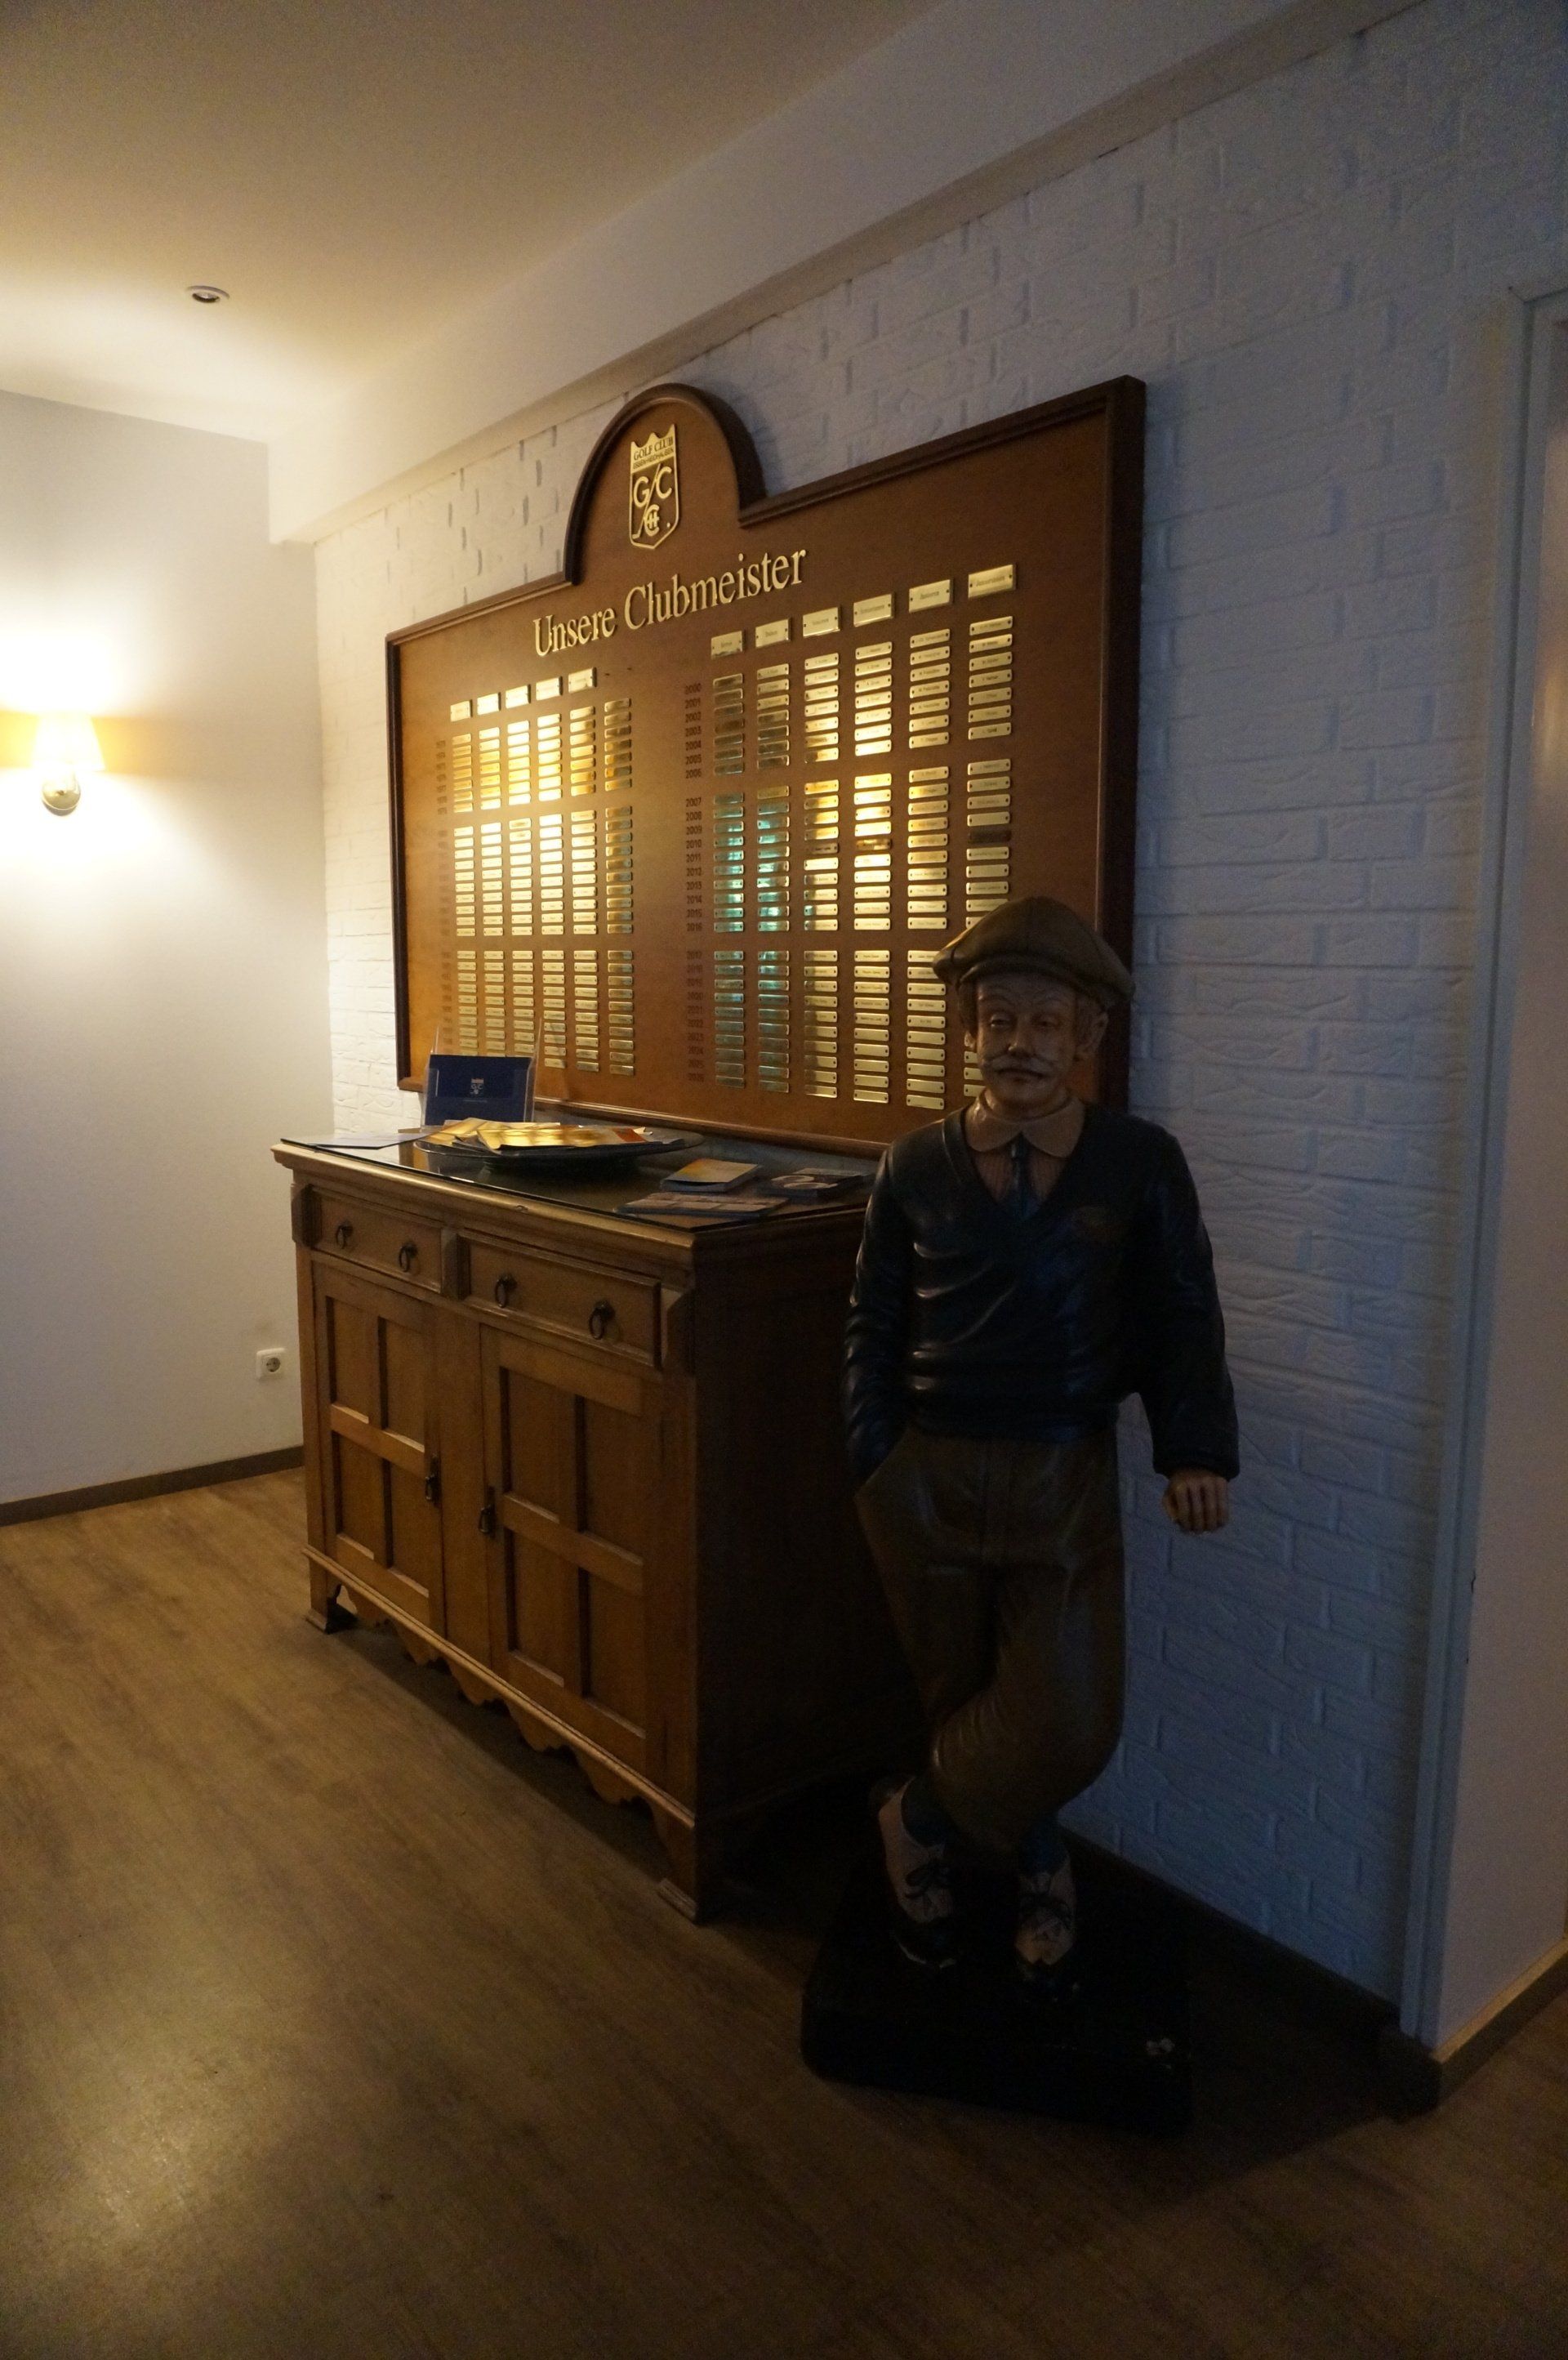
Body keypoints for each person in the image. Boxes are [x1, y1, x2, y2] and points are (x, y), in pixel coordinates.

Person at [844, 895, 1238, 1987]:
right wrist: (874, 1458)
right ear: (969, 1030)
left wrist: (1194, 1448)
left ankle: (913, 1822)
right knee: (960, 1698)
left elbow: (1184, 1313)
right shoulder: (913, 1165)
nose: (1020, 1043)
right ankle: (1040, 1870)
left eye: (1046, 1023)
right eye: (1000, 1019)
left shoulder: (1139, 1163)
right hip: (923, 1474)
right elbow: (871, 1321)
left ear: (1086, 1037)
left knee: (1065, 1716)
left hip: (1062, 1472)